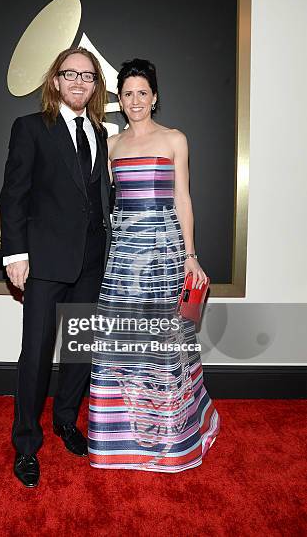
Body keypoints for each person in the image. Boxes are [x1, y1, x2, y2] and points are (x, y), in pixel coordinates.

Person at [88, 58, 220, 472]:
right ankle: (119, 437)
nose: (135, 100)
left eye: (142, 92)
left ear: (155, 97)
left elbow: (184, 199)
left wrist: (190, 256)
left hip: (164, 251)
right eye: (127, 94)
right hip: (125, 253)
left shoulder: (175, 139)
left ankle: (168, 438)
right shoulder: (110, 146)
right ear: (120, 100)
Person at [0, 47, 111, 487]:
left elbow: (97, 198)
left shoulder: (100, 133)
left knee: (79, 351)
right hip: (43, 263)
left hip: (90, 261)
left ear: (95, 85)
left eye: (88, 76)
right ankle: (26, 444)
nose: (79, 82)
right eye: (71, 74)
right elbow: (13, 195)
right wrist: (15, 254)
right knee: (37, 354)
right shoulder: (30, 128)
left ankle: (66, 420)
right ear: (56, 80)